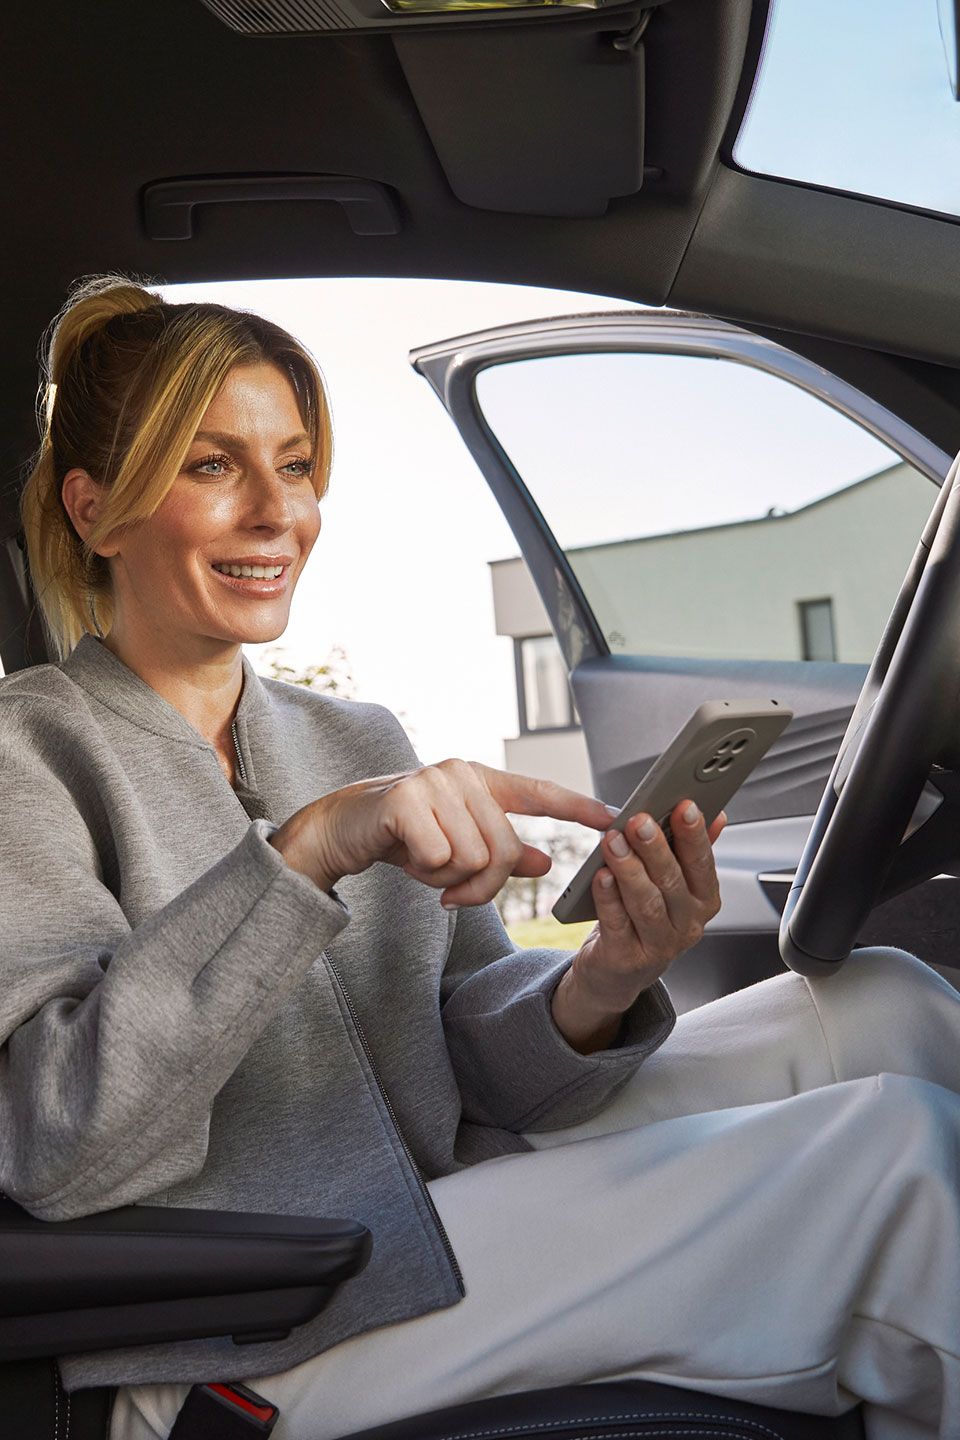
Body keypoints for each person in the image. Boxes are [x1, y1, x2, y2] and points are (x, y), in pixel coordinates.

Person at [2, 274, 958, 1440]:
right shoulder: (30, 753)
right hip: (252, 1312)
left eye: (295, 465)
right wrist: (303, 854)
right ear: (95, 509)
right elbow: (64, 1151)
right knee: (895, 1161)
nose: (276, 512)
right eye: (213, 466)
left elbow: (480, 1076)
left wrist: (602, 979)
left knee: (888, 1006)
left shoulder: (357, 738)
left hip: (443, 1197)